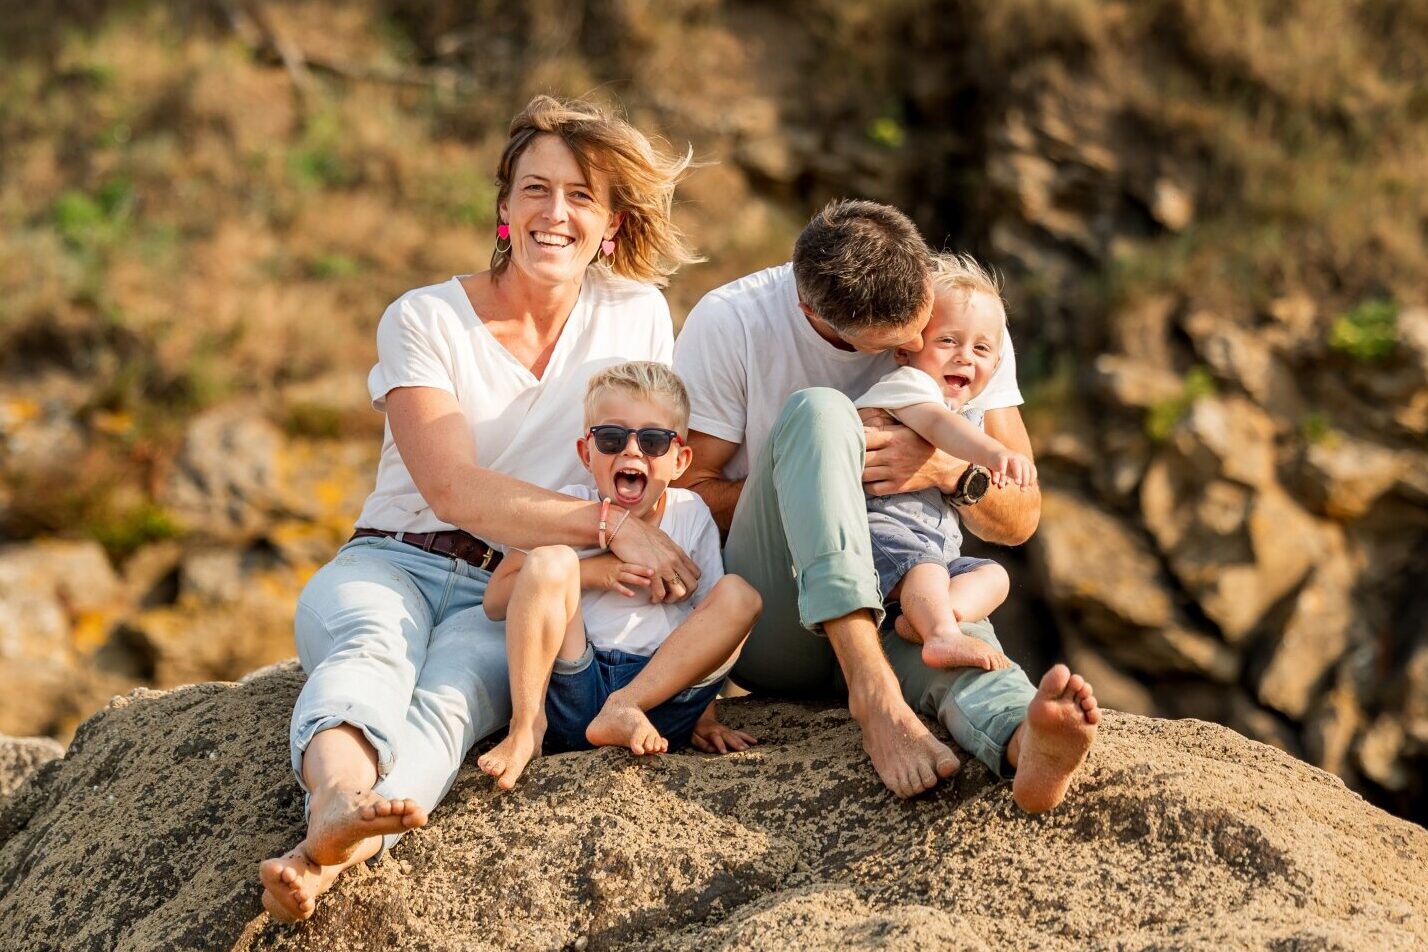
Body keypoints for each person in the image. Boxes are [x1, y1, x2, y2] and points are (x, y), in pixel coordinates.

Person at [259, 95, 707, 923]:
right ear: (504, 209)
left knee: (457, 698)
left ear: (609, 225)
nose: (555, 212)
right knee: (373, 650)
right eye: (535, 189)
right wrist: (610, 528)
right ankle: (333, 801)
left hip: (510, 589)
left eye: (580, 196)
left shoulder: (636, 312)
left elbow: (651, 453)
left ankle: (326, 858)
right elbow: (452, 488)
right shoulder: (424, 317)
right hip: (392, 558)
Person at [672, 199, 1101, 805]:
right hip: (776, 622)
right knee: (820, 414)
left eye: (921, 327)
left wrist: (946, 470)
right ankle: (875, 701)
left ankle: (1022, 743)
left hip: (897, 604)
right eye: (898, 343)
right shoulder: (734, 321)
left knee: (954, 635)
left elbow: (1020, 518)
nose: (920, 347)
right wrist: (823, 477)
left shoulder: (960, 318)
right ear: (811, 312)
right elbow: (683, 492)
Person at [476, 362, 762, 789]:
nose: (632, 452)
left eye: (653, 440)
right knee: (550, 560)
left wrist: (704, 715)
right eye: (612, 439)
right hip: (576, 681)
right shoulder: (570, 509)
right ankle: (525, 728)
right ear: (585, 453)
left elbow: (704, 618)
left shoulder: (690, 512)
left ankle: (623, 707)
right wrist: (592, 572)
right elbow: (496, 599)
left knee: (739, 595)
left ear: (681, 459)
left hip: (659, 695)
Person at [852, 254, 1037, 673]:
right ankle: (941, 636)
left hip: (936, 553)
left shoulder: (967, 405)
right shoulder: (909, 385)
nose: (965, 357)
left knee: (994, 577)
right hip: (884, 536)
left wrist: (962, 469)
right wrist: (992, 454)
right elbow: (937, 426)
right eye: (948, 341)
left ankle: (934, 619)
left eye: (982, 348)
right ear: (908, 349)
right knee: (925, 569)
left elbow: (1023, 520)